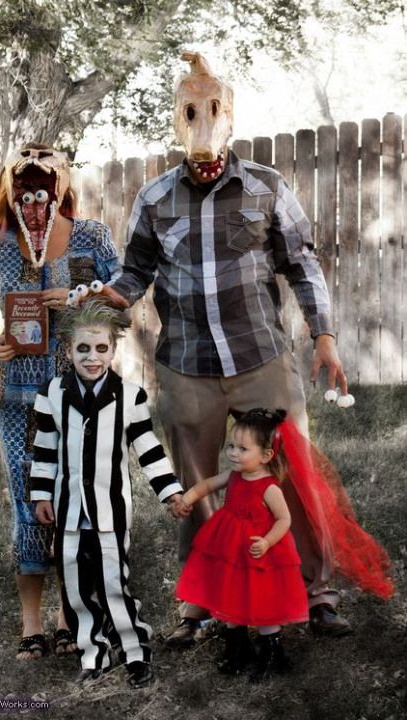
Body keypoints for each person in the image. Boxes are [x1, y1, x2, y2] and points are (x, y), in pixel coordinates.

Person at [101, 50, 354, 644]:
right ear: (177, 117)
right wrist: (112, 297)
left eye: (212, 109)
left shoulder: (268, 186)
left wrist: (323, 336)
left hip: (260, 356)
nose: (202, 120)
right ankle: (203, 602)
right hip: (186, 364)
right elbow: (135, 270)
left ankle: (316, 593)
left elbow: (301, 263)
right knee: (196, 488)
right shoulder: (154, 198)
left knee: (288, 475)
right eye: (189, 110)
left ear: (230, 115)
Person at [0, 144, 121, 660]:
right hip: (17, 394)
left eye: (44, 185)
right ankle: (31, 621)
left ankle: (68, 615)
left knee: (76, 498)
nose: (34, 199)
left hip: (81, 391)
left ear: (62, 185)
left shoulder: (92, 236)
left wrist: (79, 296)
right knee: (27, 499)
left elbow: (125, 300)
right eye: (24, 187)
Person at [172, 409, 394, 681]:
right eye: (231, 446)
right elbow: (206, 485)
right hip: (231, 547)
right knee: (230, 592)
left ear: (266, 455)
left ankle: (271, 650)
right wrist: (187, 498)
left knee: (263, 600)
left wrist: (267, 541)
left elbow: (283, 519)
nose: (233, 453)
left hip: (261, 552)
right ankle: (237, 646)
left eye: (242, 448)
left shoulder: (269, 487)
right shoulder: (234, 476)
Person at [30, 300, 184, 687]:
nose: (92, 357)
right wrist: (42, 495)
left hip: (109, 513)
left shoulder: (130, 396)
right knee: (76, 589)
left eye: (101, 348)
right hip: (68, 512)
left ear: (113, 350)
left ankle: (134, 651)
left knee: (113, 584)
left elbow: (149, 450)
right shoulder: (52, 393)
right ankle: (92, 653)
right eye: (83, 348)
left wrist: (170, 492)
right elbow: (44, 450)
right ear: (68, 350)